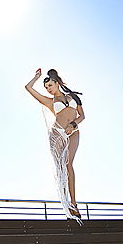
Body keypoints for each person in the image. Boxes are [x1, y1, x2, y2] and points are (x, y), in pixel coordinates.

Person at [25, 68, 85, 225]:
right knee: (61, 169)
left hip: (73, 132)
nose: (48, 89)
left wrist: (73, 124)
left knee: (68, 165)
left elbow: (82, 116)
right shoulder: (49, 101)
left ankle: (74, 203)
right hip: (57, 134)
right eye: (46, 88)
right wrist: (37, 77)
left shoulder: (73, 97)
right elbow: (28, 88)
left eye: (50, 85)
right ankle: (68, 205)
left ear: (57, 83)